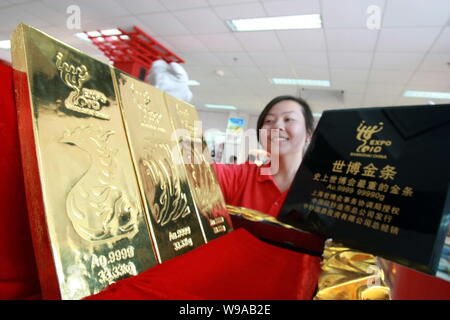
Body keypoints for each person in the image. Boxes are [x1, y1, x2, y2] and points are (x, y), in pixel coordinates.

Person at [213, 95, 314, 218]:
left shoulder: (324, 188)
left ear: (309, 133)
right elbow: (195, 172)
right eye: (269, 121)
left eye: (289, 119)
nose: (277, 126)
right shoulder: (241, 177)